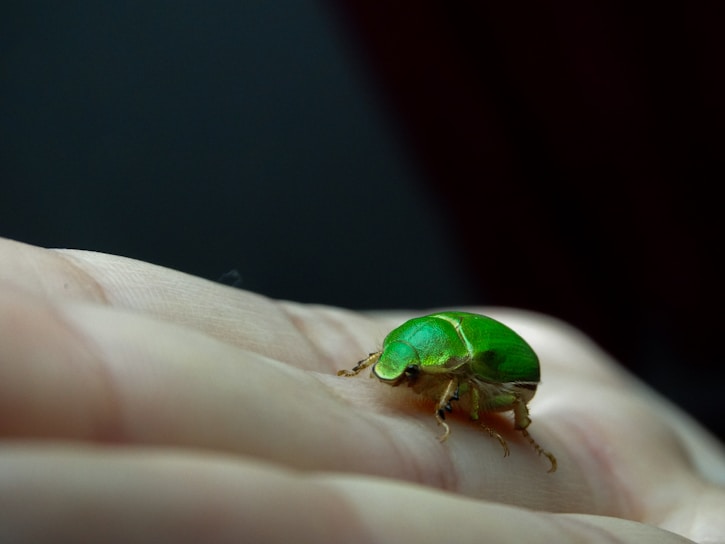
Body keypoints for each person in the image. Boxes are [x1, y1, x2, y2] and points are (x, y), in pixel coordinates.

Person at [0, 236, 723, 543]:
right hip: (447, 335)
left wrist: (481, 417)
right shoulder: (415, 340)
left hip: (507, 369)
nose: (398, 379)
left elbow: (467, 390)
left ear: (434, 368)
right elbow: (400, 349)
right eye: (395, 366)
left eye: (408, 374)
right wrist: (378, 363)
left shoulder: (463, 376)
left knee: (482, 399)